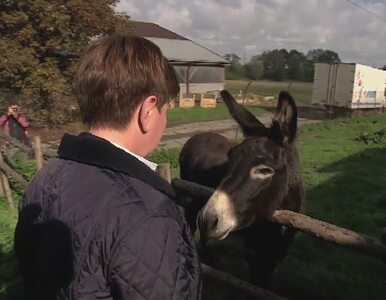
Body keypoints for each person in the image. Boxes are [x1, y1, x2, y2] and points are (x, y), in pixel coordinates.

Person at [14, 34, 202, 300]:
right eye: (166, 109)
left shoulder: (47, 177)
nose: (165, 121)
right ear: (148, 111)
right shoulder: (148, 216)